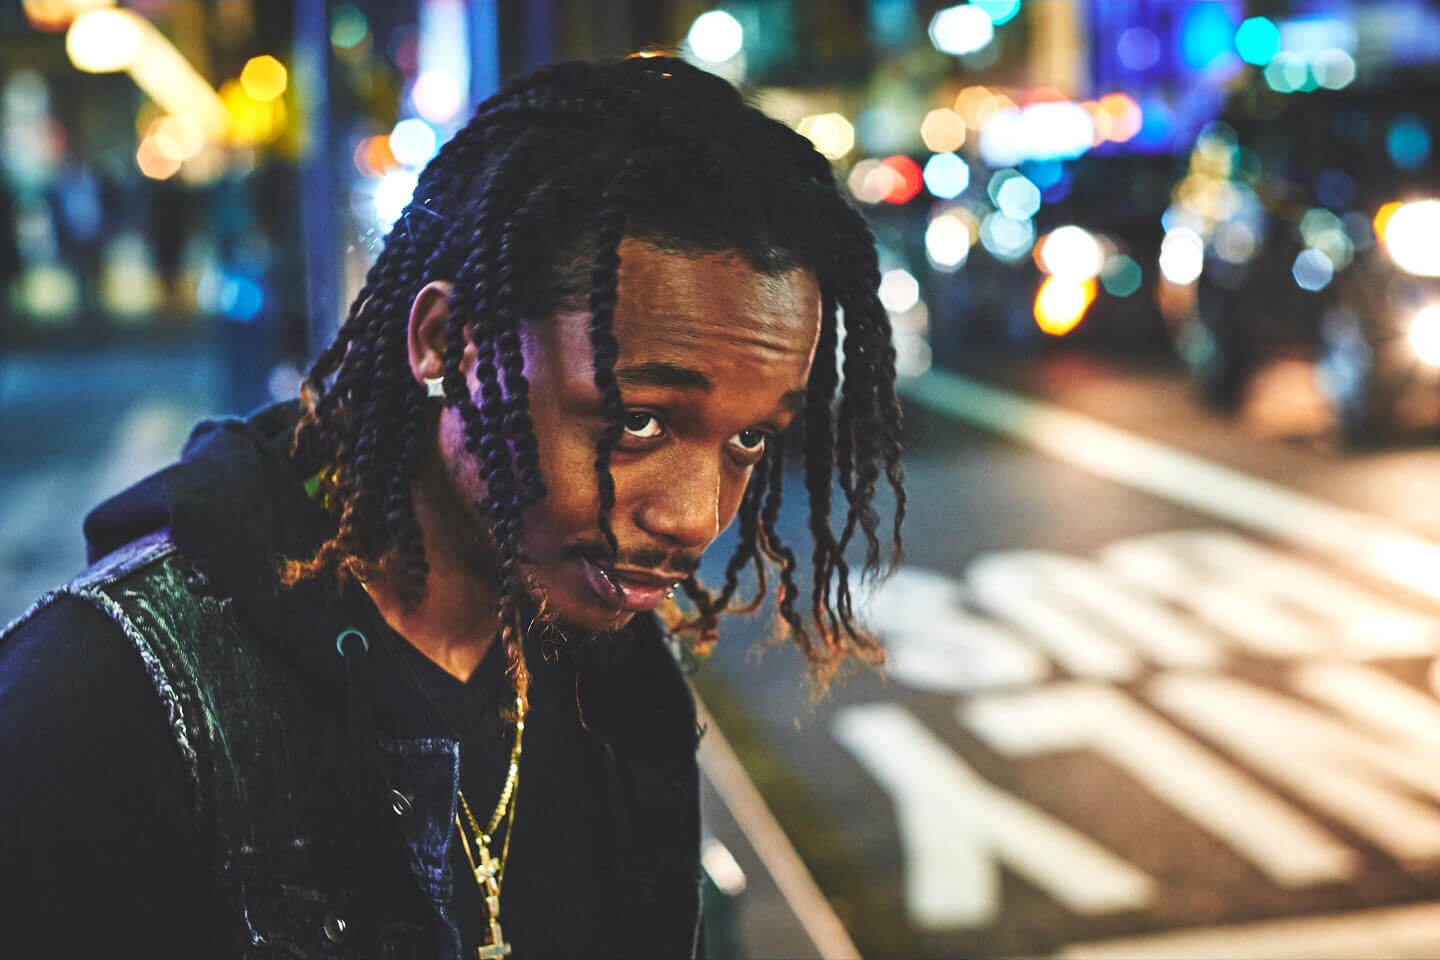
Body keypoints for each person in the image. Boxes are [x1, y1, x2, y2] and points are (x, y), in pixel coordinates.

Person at [0, 56, 904, 959]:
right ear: (444, 342)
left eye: (750, 439)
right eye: (636, 420)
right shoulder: (102, 705)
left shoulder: (601, 658)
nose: (696, 518)